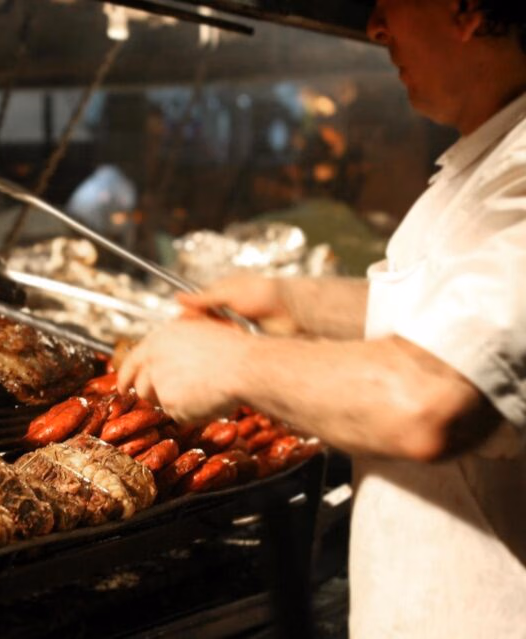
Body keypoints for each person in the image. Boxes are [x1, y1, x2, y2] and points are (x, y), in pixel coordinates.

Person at [116, 1, 526, 637]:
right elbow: (460, 322)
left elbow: (432, 400)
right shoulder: (493, 156)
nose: (374, 26)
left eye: (388, 1)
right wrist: (296, 302)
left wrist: (234, 361)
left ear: (466, 8)